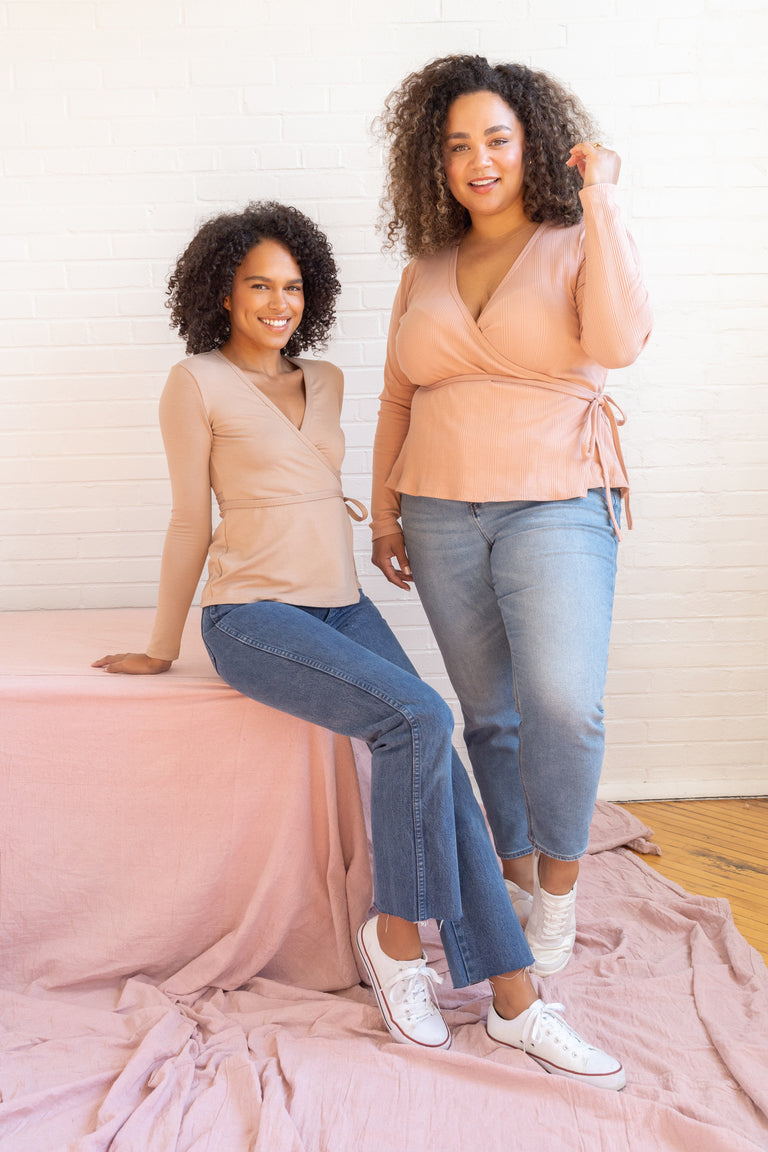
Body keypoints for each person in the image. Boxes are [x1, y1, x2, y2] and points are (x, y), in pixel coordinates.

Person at [94, 201, 625, 1089]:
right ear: (222, 293)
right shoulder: (195, 383)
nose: (279, 302)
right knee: (420, 716)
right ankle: (395, 937)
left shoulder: (329, 379)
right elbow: (190, 520)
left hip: (341, 606)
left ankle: (514, 999)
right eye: (258, 285)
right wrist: (160, 644)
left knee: (438, 748)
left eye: (293, 287)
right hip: (252, 614)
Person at [372, 57, 652, 980]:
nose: (479, 160)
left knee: (563, 705)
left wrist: (602, 195)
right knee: (490, 716)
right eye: (458, 146)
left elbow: (620, 342)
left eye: (497, 139)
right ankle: (519, 878)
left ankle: (561, 894)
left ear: (533, 143)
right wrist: (384, 515)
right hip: (438, 509)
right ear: (436, 162)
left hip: (559, 502)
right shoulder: (426, 268)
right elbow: (397, 399)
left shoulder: (577, 239)